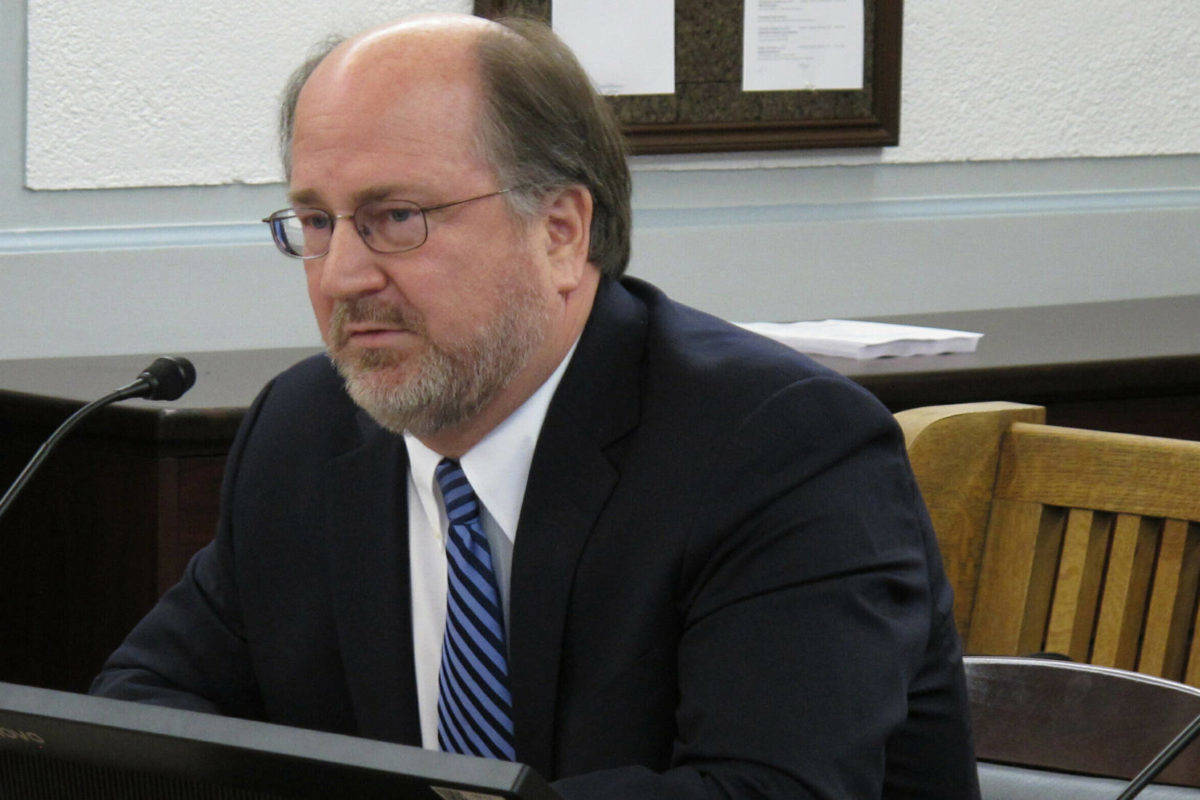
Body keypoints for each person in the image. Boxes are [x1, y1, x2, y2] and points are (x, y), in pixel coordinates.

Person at [92, 13, 980, 799]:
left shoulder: (778, 446)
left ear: (560, 232)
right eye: (315, 223)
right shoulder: (306, 429)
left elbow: (767, 786)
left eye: (395, 217)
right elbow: (142, 720)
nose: (342, 276)